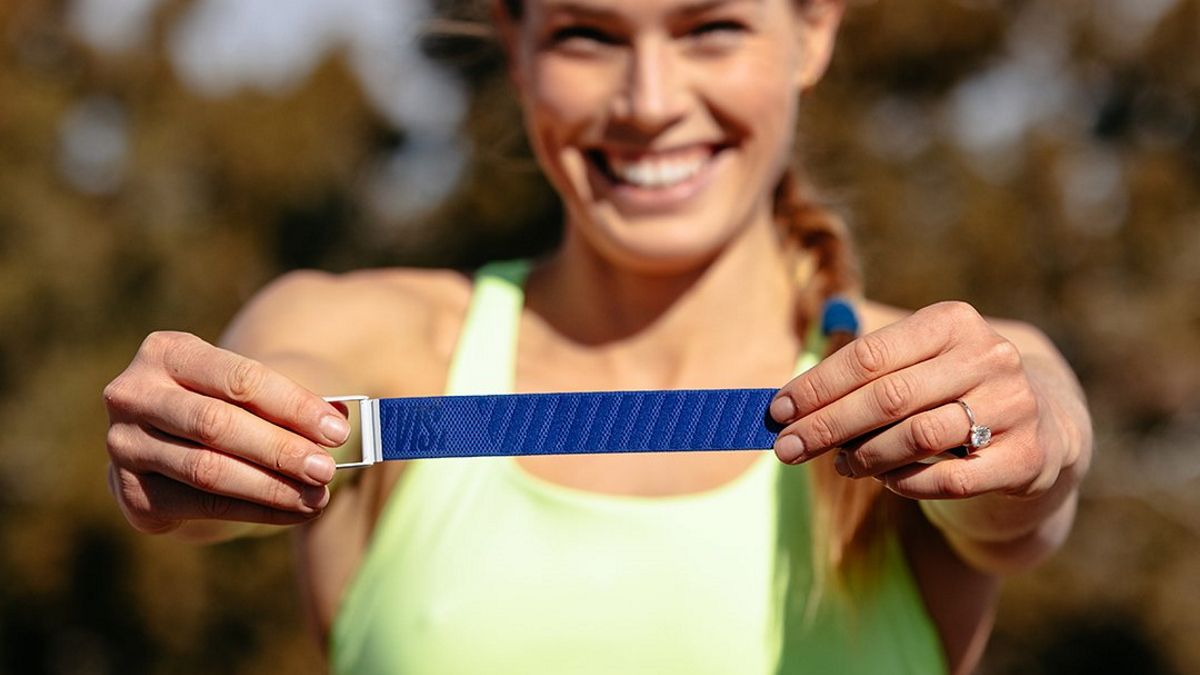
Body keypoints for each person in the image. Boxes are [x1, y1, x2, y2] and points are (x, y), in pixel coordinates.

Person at [102, 0, 1093, 673]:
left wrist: (1035, 431)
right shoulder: (375, 337)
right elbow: (275, 393)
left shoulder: (932, 382)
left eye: (711, 27)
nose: (650, 102)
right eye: (587, 35)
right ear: (516, 40)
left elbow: (1025, 481)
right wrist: (206, 441)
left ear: (813, 29)